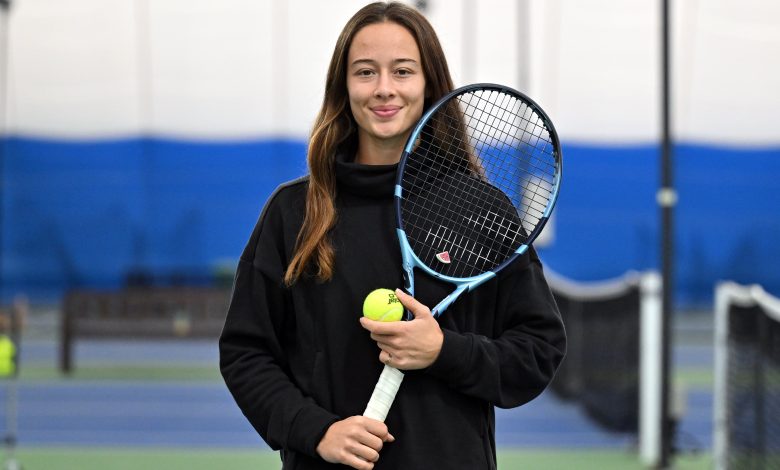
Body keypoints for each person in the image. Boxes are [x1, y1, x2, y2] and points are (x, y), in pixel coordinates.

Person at [219, 2, 566, 469]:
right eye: (366, 72)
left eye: (403, 71)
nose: (384, 89)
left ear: (429, 85)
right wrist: (315, 430)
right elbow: (247, 352)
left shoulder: (482, 210)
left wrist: (445, 350)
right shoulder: (293, 213)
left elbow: (538, 350)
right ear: (344, 86)